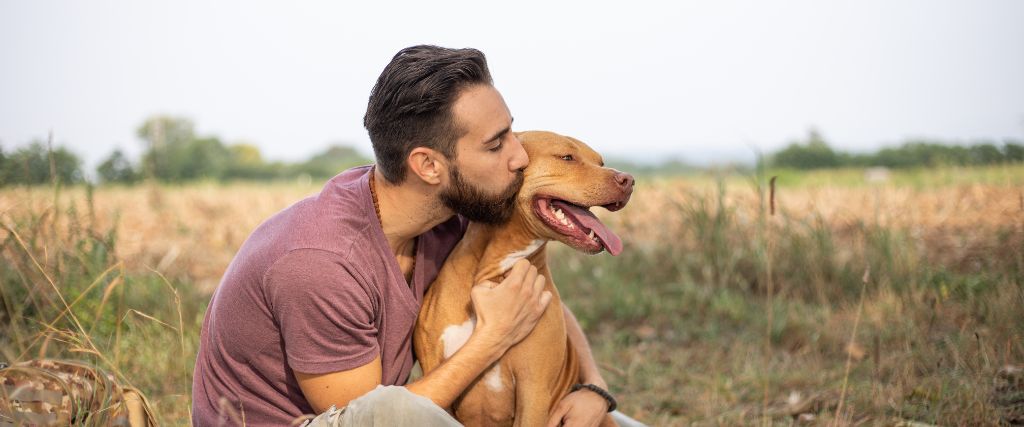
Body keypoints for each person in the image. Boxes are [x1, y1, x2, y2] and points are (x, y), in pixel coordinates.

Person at [191, 45, 638, 427]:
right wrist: (492, 337)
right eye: (496, 143)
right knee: (393, 409)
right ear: (428, 166)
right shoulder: (319, 260)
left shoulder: (458, 211)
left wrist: (593, 385)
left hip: (402, 410)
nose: (520, 156)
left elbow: (537, 300)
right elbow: (368, 415)